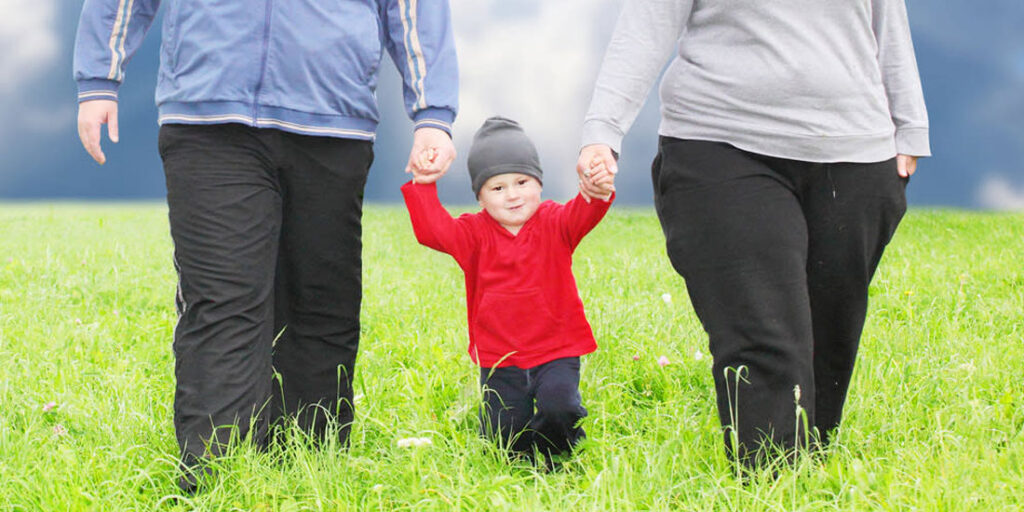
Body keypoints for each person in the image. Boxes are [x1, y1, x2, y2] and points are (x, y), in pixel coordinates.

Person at [73, 0, 459, 491]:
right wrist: (99, 79)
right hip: (208, 118)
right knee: (223, 300)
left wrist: (432, 113)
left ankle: (310, 471)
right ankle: (216, 476)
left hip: (333, 120)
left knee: (320, 303)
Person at [577, 0, 930, 468]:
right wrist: (602, 130)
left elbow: (887, 16)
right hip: (721, 141)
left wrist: (910, 124)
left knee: (831, 331)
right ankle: (772, 481)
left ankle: (810, 472)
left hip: (856, 150)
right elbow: (647, 22)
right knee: (764, 331)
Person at [401, 117, 615, 466]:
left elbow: (587, 210)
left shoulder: (556, 222)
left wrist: (597, 187)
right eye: (497, 188)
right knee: (505, 437)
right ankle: (517, 455)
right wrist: (424, 183)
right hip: (500, 356)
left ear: (539, 184)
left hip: (556, 349)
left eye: (522, 182)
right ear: (480, 197)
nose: (513, 195)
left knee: (559, 407)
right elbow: (432, 230)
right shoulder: (473, 234)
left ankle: (556, 456)